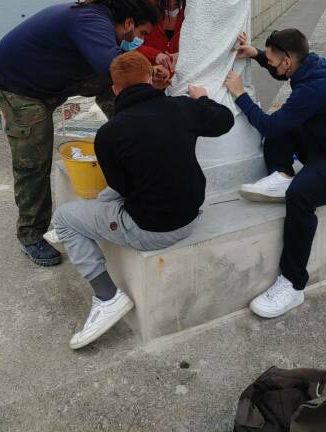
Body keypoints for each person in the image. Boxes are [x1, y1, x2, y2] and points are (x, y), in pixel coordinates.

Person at [53, 51, 234, 349]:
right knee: (110, 196)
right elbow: (224, 121)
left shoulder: (110, 134)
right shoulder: (182, 108)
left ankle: (107, 298)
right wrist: (201, 98)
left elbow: (122, 186)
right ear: (150, 78)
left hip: (152, 231)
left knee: (65, 219)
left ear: (114, 89)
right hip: (189, 214)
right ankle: (93, 218)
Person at [0, 0, 159, 267]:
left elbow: (116, 69)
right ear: (128, 22)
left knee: (112, 85)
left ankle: (135, 129)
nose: (139, 40)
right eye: (140, 33)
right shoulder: (91, 21)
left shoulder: (97, 21)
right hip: (18, 87)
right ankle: (30, 235)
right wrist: (152, 77)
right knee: (34, 159)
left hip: (48, 82)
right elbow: (116, 69)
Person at [224, 28, 326, 319]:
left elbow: (269, 126)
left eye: (272, 61)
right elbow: (282, 83)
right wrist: (257, 54)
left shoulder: (313, 89)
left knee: (300, 193)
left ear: (287, 60)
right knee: (282, 121)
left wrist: (240, 95)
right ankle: (282, 175)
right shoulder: (315, 66)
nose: (270, 65)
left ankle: (292, 284)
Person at [137, 0, 185, 74]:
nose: (172, 9)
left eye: (176, 5)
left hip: (177, 77)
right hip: (147, 74)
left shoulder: (189, 12)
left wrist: (184, 54)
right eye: (166, 5)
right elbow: (127, 45)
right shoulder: (142, 8)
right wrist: (155, 54)